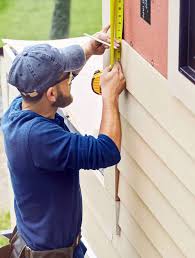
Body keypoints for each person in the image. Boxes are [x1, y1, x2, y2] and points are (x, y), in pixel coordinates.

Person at [1, 25, 126, 258]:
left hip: (43, 245)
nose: (72, 77)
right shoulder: (40, 139)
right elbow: (106, 151)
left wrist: (88, 49)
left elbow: (57, 86)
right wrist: (110, 97)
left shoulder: (18, 109)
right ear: (50, 94)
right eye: (67, 77)